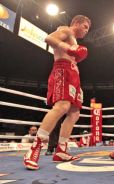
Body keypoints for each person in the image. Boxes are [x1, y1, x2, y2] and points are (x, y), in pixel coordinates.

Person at [23, 15, 91, 170]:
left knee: (74, 113)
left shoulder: (74, 40)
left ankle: (61, 150)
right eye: (85, 27)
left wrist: (78, 84)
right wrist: (68, 48)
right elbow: (49, 38)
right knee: (62, 107)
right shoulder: (65, 30)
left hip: (73, 75)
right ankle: (35, 148)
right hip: (62, 70)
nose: (86, 31)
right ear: (77, 23)